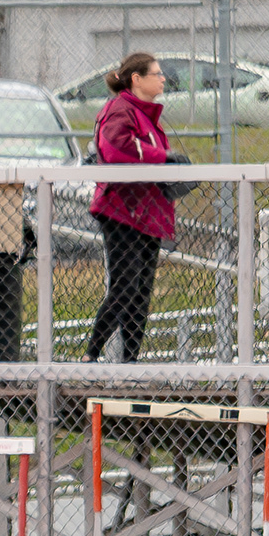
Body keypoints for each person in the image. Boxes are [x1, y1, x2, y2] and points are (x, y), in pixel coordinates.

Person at [86, 52, 175, 362]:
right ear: (136, 79)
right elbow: (116, 148)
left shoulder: (146, 116)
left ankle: (130, 360)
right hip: (122, 211)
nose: (162, 79)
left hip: (148, 214)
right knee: (125, 287)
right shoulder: (120, 110)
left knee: (141, 294)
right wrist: (163, 157)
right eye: (156, 73)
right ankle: (91, 354)